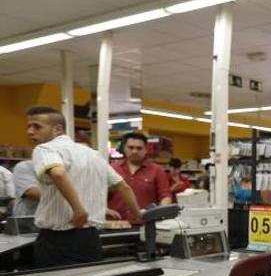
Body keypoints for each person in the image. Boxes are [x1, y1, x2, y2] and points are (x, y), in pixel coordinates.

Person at [25, 106, 141, 267]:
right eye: (28, 126)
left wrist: (79, 210)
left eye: (37, 126)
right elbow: (124, 186)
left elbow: (58, 173)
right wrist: (138, 214)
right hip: (90, 239)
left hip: (58, 240)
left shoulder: (44, 149)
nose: (30, 132)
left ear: (57, 129)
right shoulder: (92, 153)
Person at [107, 132, 171, 222]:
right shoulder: (113, 168)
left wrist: (160, 212)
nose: (135, 151)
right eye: (131, 147)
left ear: (145, 150)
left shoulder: (157, 171)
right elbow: (99, 194)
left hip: (146, 225)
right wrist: (106, 210)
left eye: (139, 148)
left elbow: (165, 196)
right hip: (117, 225)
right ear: (124, 148)